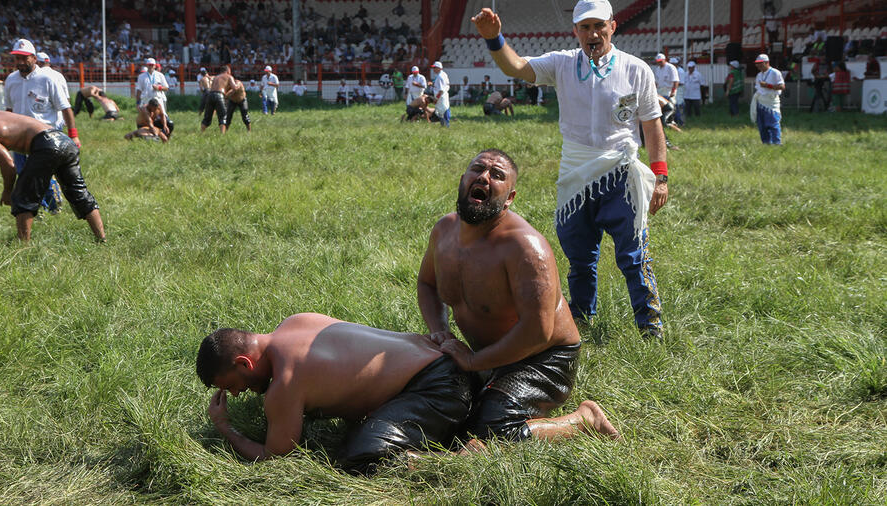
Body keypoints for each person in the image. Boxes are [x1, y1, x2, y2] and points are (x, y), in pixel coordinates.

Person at [472, 1, 669, 338]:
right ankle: (580, 324)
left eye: (598, 26)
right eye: (585, 27)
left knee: (634, 255)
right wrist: (494, 38)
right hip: (576, 177)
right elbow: (516, 67)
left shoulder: (636, 69)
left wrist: (660, 177)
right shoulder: (562, 64)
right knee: (580, 259)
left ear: (613, 26)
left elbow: (652, 126)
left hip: (621, 173)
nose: (593, 34)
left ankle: (651, 328)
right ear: (575, 31)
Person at [418, 149, 619, 445]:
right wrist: (439, 331)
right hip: (489, 356)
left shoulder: (525, 247)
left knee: (493, 430)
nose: (484, 177)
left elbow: (539, 331)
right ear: (463, 181)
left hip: (545, 358)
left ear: (509, 198)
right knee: (440, 407)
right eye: (477, 170)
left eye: (497, 175)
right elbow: (427, 284)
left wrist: (474, 361)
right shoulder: (443, 231)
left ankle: (585, 420)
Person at [196, 312, 472, 475]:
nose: (234, 394)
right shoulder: (296, 322)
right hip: (445, 360)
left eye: (231, 385)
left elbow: (274, 456)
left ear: (246, 363)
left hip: (440, 390)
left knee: (357, 457)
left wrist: (225, 427)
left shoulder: (286, 383)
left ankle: (457, 459)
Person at [0, 110, 105, 242]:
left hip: (46, 144)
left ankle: (22, 247)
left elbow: (8, 165)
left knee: (23, 195)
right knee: (79, 192)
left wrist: (7, 191)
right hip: (64, 140)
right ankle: (102, 239)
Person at [4, 38, 77, 216]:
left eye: (24, 58)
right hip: (19, 137)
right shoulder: (11, 80)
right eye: (17, 58)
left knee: (43, 175)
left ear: (34, 58)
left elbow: (65, 108)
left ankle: (54, 208)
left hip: (45, 137)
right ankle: (38, 210)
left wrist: (73, 134)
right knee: (23, 174)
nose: (20, 62)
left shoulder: (48, 78)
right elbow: (8, 110)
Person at [751, 53, 785, 145]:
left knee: (773, 123)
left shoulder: (775, 72)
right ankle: (766, 143)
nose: (758, 65)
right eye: (757, 63)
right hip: (761, 101)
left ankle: (776, 143)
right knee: (762, 124)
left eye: (760, 63)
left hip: (771, 101)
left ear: (767, 62)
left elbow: (782, 86)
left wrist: (768, 86)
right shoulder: (759, 75)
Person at [201, 65, 238, 134]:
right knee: (223, 116)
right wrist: (237, 85)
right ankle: (222, 135)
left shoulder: (216, 77)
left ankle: (201, 133)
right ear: (227, 71)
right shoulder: (229, 76)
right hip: (219, 95)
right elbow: (234, 88)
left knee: (207, 117)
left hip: (210, 95)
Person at [431, 61, 451, 127]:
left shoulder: (440, 77)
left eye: (435, 68)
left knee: (443, 110)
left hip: (441, 97)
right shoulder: (443, 74)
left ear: (439, 68)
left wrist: (436, 99)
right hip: (443, 96)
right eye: (433, 68)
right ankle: (444, 125)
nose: (433, 69)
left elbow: (441, 90)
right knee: (443, 109)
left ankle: (446, 125)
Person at [669, 56, 686, 125]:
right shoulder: (671, 70)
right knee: (673, 105)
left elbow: (681, 82)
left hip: (679, 89)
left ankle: (681, 122)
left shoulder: (680, 71)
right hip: (673, 89)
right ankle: (675, 121)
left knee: (679, 105)